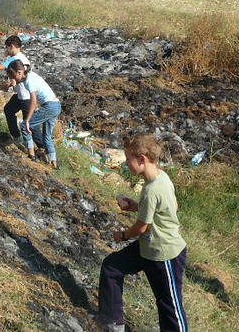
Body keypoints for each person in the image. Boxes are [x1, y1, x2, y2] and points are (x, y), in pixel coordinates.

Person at [97, 134, 188, 332]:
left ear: (142, 159)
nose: (126, 164)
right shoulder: (162, 178)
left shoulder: (152, 189)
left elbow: (141, 227)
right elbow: (173, 206)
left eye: (128, 159)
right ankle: (112, 322)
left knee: (170, 306)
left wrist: (122, 236)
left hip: (164, 253)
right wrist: (137, 206)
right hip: (148, 247)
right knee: (112, 267)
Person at [0, 35, 43, 149]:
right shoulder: (21, 58)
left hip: (27, 97)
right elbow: (12, 83)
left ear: (11, 46)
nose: (6, 51)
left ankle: (44, 149)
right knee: (9, 109)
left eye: (7, 48)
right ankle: (17, 137)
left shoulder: (16, 59)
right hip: (20, 95)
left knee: (31, 125)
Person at [6, 60, 61, 169]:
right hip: (56, 105)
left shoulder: (29, 81)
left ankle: (31, 155)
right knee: (47, 136)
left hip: (49, 106)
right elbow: (16, 83)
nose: (13, 79)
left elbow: (33, 101)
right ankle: (54, 165)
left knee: (24, 125)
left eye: (13, 76)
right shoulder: (30, 75)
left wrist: (27, 120)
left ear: (19, 72)